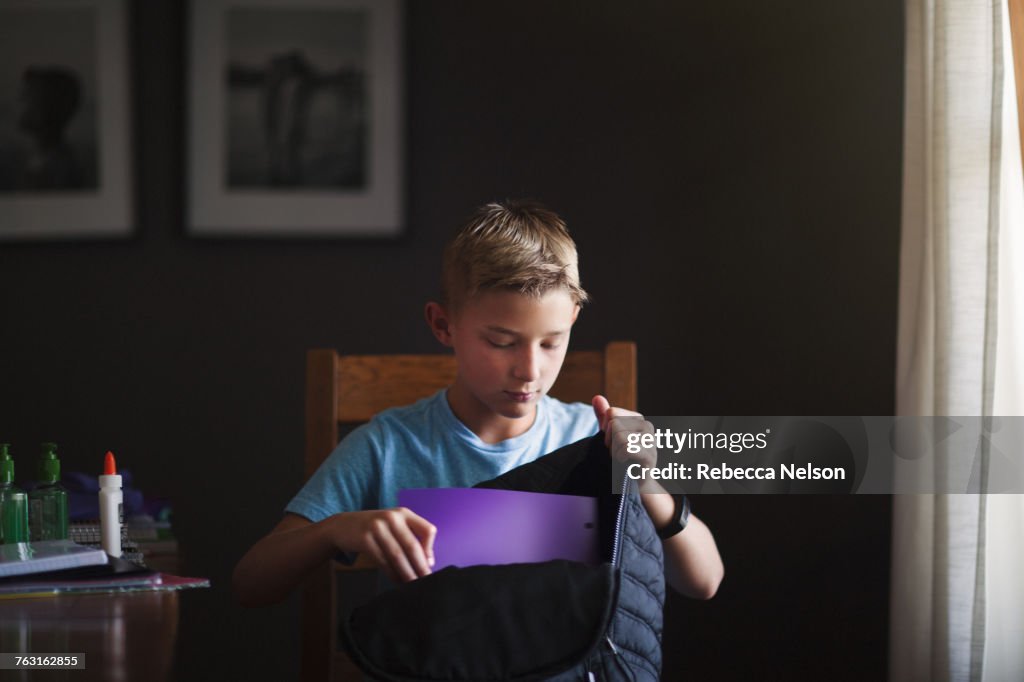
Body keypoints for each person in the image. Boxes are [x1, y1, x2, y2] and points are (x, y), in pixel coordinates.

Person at [232, 200, 723, 606]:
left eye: (551, 342)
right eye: (502, 342)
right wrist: (335, 530)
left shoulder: (592, 440)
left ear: (573, 318)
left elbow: (703, 582)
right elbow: (250, 584)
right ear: (443, 325)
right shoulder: (388, 447)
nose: (529, 370)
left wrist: (649, 484)